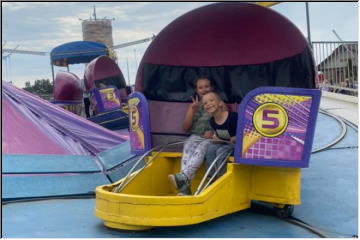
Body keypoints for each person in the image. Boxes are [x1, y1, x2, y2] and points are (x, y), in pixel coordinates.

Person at [168, 77, 214, 195]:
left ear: (212, 87)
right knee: (188, 145)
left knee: (202, 147)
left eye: (207, 86)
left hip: (211, 138)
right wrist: (192, 110)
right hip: (196, 136)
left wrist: (214, 133)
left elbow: (224, 120)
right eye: (200, 87)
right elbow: (186, 128)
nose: (204, 90)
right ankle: (184, 186)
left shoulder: (217, 103)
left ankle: (184, 177)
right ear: (197, 90)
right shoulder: (194, 105)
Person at [202, 92, 238, 181]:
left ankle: (221, 178)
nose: (208, 104)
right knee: (211, 148)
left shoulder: (232, 117)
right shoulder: (212, 122)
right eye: (205, 103)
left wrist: (238, 137)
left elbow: (246, 130)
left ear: (220, 103)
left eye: (211, 100)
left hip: (237, 146)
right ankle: (211, 177)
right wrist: (217, 138)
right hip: (226, 144)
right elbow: (222, 136)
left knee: (221, 150)